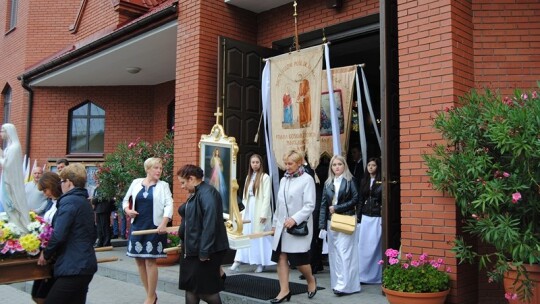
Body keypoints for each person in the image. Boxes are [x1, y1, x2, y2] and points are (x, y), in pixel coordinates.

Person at [37, 164, 97, 304]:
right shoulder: (84, 201)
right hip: (83, 264)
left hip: (73, 267)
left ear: (68, 182)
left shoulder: (69, 201)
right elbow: (92, 233)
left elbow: (59, 234)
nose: (60, 185)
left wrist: (46, 254)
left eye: (61, 181)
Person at [123, 157, 173, 304]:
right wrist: (128, 210)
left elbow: (169, 205)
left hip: (154, 227)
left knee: (150, 261)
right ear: (148, 169)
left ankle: (151, 297)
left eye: (160, 168)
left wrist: (164, 223)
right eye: (156, 168)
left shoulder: (163, 185)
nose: (159, 171)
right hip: (137, 226)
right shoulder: (136, 183)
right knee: (139, 261)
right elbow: (125, 200)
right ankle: (150, 294)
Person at [177, 164, 229, 304]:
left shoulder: (207, 193)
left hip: (204, 251)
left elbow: (210, 222)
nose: (182, 186)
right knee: (191, 288)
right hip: (193, 250)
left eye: (183, 182)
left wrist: (204, 251)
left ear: (192, 179)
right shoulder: (198, 193)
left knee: (205, 291)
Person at [270, 150, 317, 303]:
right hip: (282, 227)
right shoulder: (284, 180)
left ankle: (311, 280)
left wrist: (295, 219)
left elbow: (310, 205)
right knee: (281, 257)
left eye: (290, 164)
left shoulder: (307, 179)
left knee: (299, 261)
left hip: (298, 227)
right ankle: (284, 290)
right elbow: (279, 205)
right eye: (286, 163)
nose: (287, 167)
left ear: (299, 163)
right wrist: (274, 224)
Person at [319, 155, 361, 296]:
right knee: (334, 253)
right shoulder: (328, 183)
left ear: (344, 166)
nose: (337, 167)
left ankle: (344, 286)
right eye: (334, 165)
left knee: (345, 253)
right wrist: (322, 226)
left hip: (346, 220)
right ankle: (339, 283)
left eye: (339, 164)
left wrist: (338, 207)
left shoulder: (350, 180)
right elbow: (324, 205)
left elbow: (356, 199)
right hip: (332, 222)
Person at [230, 154, 275, 273]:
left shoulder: (265, 177)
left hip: (259, 208)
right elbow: (245, 197)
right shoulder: (248, 177)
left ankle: (261, 263)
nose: (255, 164)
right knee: (245, 234)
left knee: (259, 235)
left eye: (257, 162)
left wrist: (264, 213)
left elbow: (266, 197)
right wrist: (242, 212)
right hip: (249, 209)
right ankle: (238, 260)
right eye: (253, 162)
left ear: (261, 164)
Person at [31, 172, 63, 304]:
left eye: (45, 190)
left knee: (42, 296)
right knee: (36, 295)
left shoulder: (62, 203)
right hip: (46, 251)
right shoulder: (51, 203)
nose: (44, 194)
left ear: (53, 186)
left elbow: (58, 230)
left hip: (53, 254)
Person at [0, 123, 31, 231]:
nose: (1, 134)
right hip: (5, 179)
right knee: (7, 205)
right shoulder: (10, 147)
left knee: (11, 205)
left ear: (8, 132)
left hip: (10, 182)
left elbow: (7, 165)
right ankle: (13, 226)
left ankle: (18, 228)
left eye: (2, 131)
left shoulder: (14, 147)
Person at [357, 157, 383, 284]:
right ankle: (363, 275)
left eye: (373, 165)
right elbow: (361, 199)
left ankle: (376, 276)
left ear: (378, 167)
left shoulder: (381, 181)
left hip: (377, 216)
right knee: (363, 246)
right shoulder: (364, 181)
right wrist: (358, 216)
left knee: (375, 246)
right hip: (366, 216)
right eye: (369, 165)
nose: (371, 167)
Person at [91, 179, 114, 247]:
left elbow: (98, 198)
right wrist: (94, 200)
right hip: (98, 210)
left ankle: (106, 242)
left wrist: (94, 199)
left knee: (105, 226)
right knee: (99, 227)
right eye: (96, 181)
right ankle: (100, 241)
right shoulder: (96, 189)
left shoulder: (105, 189)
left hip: (104, 209)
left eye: (98, 181)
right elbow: (94, 200)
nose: (97, 182)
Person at [209, 148, 228, 212]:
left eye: (218, 152)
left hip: (219, 172)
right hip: (215, 172)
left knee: (221, 186)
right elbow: (211, 165)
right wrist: (212, 157)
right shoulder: (213, 158)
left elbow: (222, 167)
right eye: (216, 152)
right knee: (215, 185)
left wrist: (220, 166)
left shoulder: (219, 159)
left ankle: (221, 205)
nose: (217, 153)